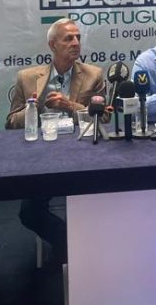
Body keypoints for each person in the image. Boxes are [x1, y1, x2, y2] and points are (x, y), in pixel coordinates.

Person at [6, 18, 105, 265]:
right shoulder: (28, 78)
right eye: (68, 38)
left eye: (78, 37)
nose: (75, 43)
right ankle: (69, 243)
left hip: (81, 154)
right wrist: (35, 107)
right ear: (52, 45)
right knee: (29, 212)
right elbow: (10, 123)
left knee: (99, 200)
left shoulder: (94, 75)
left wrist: (69, 105)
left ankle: (83, 249)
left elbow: (103, 118)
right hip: (41, 157)